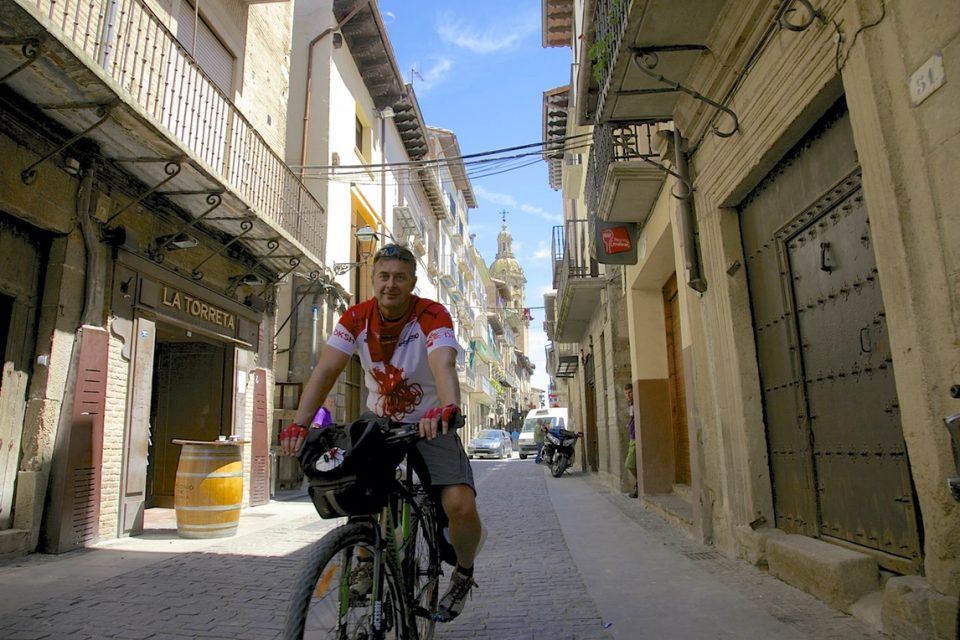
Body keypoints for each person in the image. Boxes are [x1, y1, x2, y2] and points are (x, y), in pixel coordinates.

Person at [279, 243, 482, 623]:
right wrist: (299, 423)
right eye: (384, 276)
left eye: (400, 277)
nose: (391, 284)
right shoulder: (356, 317)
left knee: (461, 507)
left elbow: (444, 361)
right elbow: (325, 371)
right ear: (373, 280)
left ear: (413, 282)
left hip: (431, 420)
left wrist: (448, 407)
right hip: (379, 419)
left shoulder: (431, 314)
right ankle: (365, 559)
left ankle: (464, 572)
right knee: (354, 488)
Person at [624, 382, 638, 498]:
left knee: (629, 463)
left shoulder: (637, 402)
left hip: (636, 438)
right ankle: (638, 485)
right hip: (632, 437)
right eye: (626, 393)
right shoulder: (631, 404)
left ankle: (639, 484)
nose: (628, 395)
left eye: (630, 392)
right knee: (632, 463)